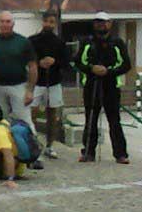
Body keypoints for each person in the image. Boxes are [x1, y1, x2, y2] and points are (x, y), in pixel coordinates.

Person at [76, 11, 132, 164]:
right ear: (94, 24)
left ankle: (120, 154)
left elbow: (126, 65)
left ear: (110, 24)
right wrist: (92, 69)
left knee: (114, 120)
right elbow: (78, 62)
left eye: (104, 22)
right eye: (98, 22)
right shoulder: (87, 42)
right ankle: (88, 152)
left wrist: (109, 72)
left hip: (111, 85)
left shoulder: (117, 43)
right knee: (90, 119)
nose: (101, 25)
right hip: (91, 84)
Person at [29, 11, 70, 164]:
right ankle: (32, 144)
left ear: (55, 23)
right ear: (42, 22)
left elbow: (66, 63)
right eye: (46, 21)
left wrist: (55, 61)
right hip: (35, 82)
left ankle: (50, 145)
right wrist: (38, 62)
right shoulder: (32, 40)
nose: (48, 24)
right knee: (31, 114)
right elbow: (26, 59)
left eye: (51, 22)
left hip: (54, 83)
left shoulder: (60, 42)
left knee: (52, 116)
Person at [0, 12, 37, 131]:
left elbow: (33, 66)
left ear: (13, 24)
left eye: (8, 21)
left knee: (24, 120)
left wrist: (30, 91)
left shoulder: (23, 42)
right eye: (2, 21)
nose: (5, 24)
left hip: (19, 86)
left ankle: (30, 142)